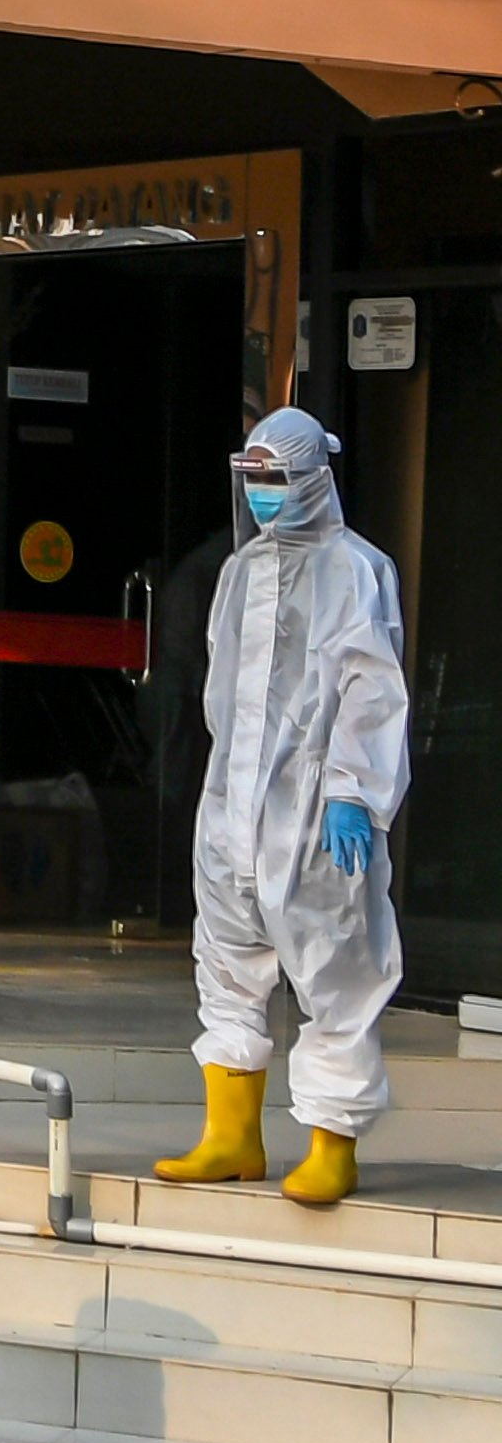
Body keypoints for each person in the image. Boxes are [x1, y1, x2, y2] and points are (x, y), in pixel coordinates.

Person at [155, 408, 411, 1209]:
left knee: (336, 969)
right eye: (253, 478)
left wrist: (352, 792)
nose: (263, 494)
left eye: (277, 478)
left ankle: (332, 1142)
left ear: (312, 476)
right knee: (228, 963)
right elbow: (224, 693)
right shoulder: (239, 570)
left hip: (316, 813)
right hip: (234, 807)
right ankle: (232, 1137)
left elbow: (372, 689)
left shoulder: (356, 568)